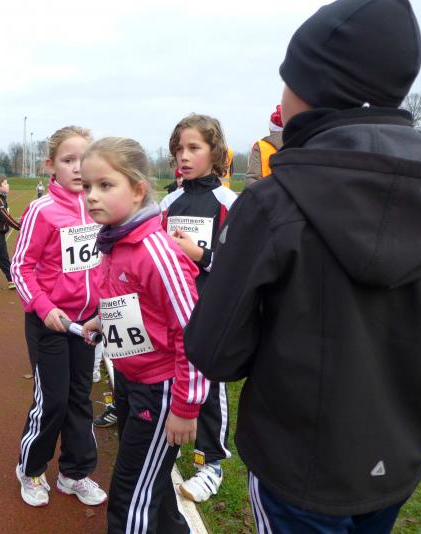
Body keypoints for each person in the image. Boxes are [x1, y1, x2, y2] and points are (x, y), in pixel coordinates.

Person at [184, 1, 421, 532]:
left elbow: (215, 349)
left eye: (287, 80)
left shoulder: (272, 205)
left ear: (311, 88)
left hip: (296, 467)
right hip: (394, 461)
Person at [80, 137, 201, 534]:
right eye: (87, 185)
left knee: (131, 494)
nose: (92, 196)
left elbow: (192, 331)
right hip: (131, 378)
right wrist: (103, 321)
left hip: (161, 389)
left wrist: (185, 407)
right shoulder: (115, 241)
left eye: (105, 185)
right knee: (151, 482)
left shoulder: (155, 252)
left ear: (137, 190)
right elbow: (134, 304)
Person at [10, 125, 106, 508]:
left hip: (87, 324)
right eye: (69, 160)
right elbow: (21, 267)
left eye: (85, 159)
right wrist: (44, 307)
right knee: (52, 400)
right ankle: (31, 469)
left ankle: (74, 473)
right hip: (49, 323)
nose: (78, 168)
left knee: (80, 397)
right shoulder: (42, 211)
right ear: (51, 166)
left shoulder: (100, 208)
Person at [159, 113, 237, 503]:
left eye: (194, 148)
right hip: (171, 312)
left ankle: (211, 463)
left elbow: (242, 265)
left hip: (210, 312)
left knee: (209, 384)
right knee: (172, 377)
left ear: (215, 151)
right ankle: (168, 444)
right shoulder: (168, 201)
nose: (184, 156)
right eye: (179, 149)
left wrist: (200, 255)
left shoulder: (230, 203)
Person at [244, 105, 284, 189]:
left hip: (266, 195)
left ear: (271, 128)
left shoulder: (260, 147)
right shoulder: (302, 145)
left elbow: (252, 179)